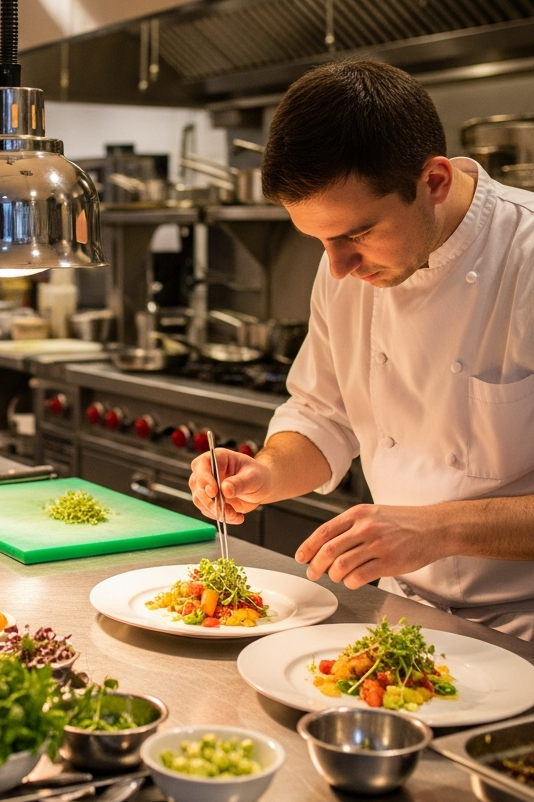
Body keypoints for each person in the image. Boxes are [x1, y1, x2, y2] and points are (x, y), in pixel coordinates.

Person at [189, 59, 534, 640]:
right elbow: (324, 415)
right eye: (319, 240)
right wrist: (266, 472)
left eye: (356, 234)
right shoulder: (348, 269)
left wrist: (435, 531)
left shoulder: (525, 258)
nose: (337, 267)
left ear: (435, 182)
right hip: (403, 617)